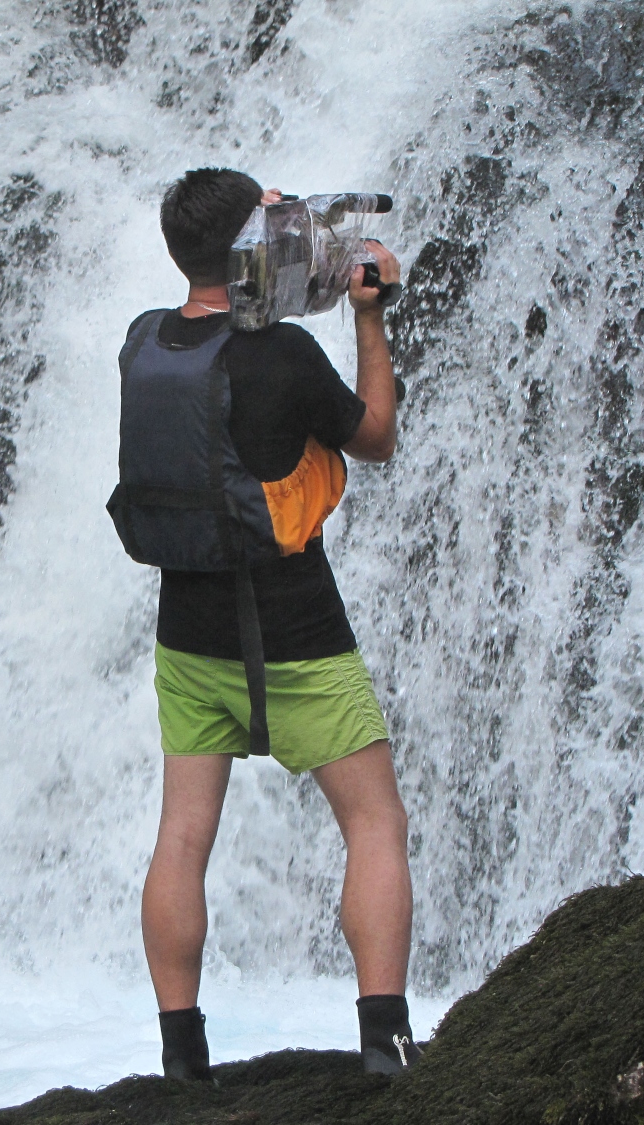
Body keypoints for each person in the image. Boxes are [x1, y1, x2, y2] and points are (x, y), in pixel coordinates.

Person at [118, 168, 417, 1079]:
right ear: (257, 242)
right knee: (374, 823)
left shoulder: (145, 344)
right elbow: (372, 437)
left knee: (182, 837)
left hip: (189, 635)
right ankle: (385, 1041)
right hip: (298, 632)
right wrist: (368, 315)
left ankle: (182, 1056)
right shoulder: (284, 355)